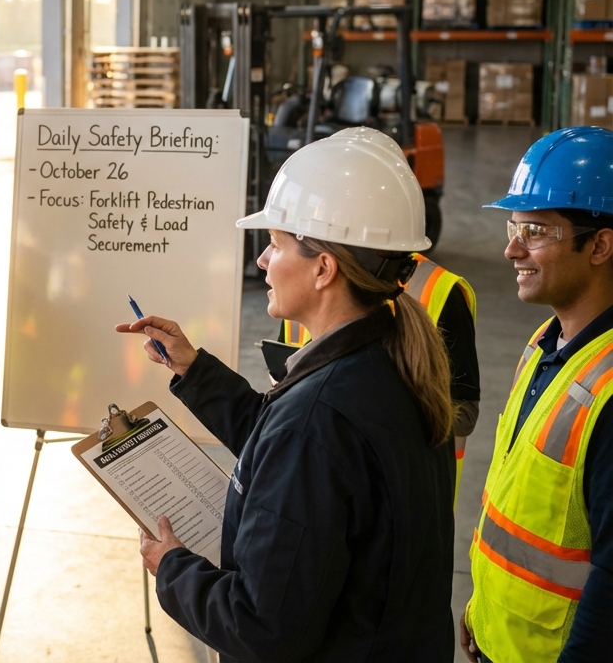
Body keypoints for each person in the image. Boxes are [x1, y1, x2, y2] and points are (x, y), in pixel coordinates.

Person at [118, 127, 455, 661]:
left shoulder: (320, 415)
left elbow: (260, 628)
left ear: (324, 268)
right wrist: (194, 370)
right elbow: (292, 451)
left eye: (274, 245)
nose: (262, 262)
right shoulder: (388, 358)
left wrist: (174, 567)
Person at [460, 126, 613, 663]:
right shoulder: (547, 343)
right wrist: (482, 609)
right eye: (513, 226)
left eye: (536, 230)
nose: (511, 249)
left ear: (600, 244)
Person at [277, 127, 480, 508]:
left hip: (413, 502)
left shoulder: (440, 292)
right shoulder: (305, 281)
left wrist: (369, 416)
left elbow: (464, 414)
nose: (266, 260)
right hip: (319, 484)